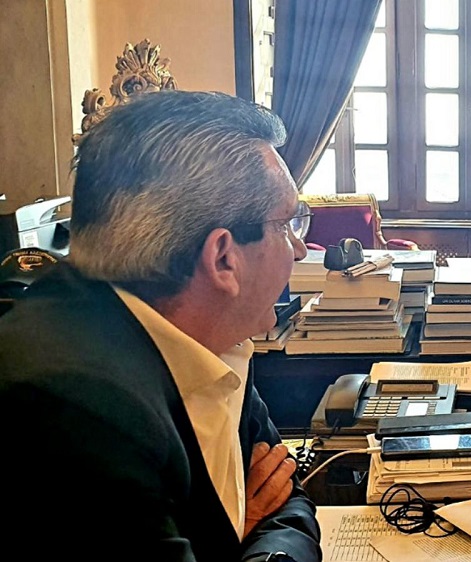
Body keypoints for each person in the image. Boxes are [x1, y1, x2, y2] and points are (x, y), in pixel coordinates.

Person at [0, 92, 322, 561]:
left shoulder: (209, 334)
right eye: (287, 224)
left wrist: (254, 539)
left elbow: (286, 497)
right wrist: (235, 532)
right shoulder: (74, 409)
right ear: (223, 258)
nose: (299, 249)